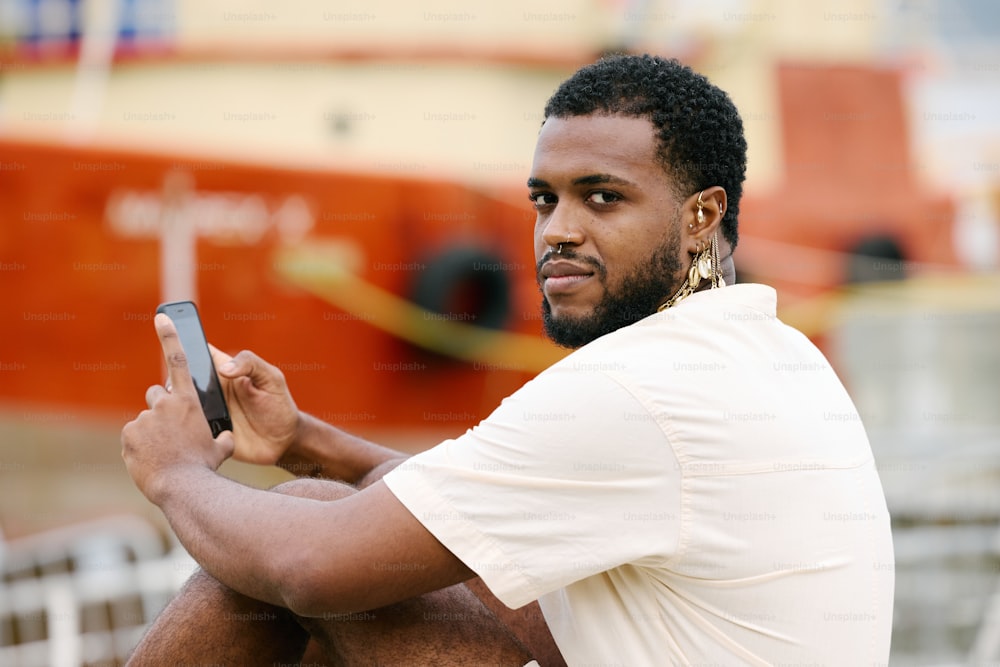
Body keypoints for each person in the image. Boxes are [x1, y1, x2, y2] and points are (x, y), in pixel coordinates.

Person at [121, 53, 895, 665]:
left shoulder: (637, 387)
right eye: (544, 199)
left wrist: (176, 473)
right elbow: (461, 510)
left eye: (601, 197)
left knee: (309, 552)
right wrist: (302, 442)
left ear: (702, 215)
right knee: (386, 545)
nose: (557, 228)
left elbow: (311, 566)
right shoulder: (773, 351)